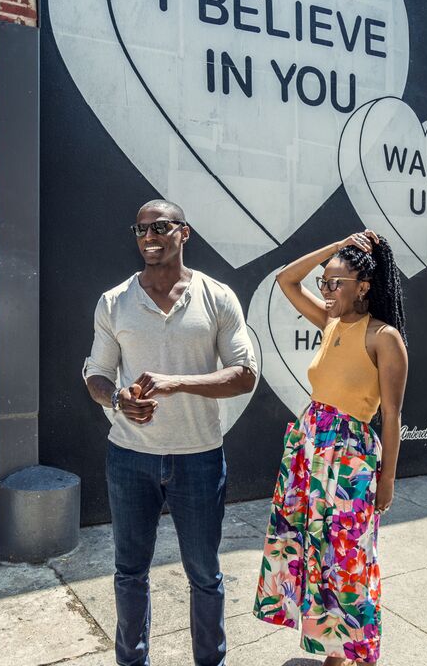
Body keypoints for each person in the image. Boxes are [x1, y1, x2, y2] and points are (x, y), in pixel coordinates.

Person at [83, 199, 257, 666]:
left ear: (185, 232)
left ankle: (210, 660)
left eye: (160, 226)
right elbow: (96, 373)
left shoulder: (216, 296)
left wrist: (177, 382)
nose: (149, 236)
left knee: (204, 573)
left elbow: (245, 374)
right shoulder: (114, 301)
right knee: (129, 572)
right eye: (140, 229)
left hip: (199, 457)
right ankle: (131, 660)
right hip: (129, 457)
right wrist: (118, 398)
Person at [253, 230, 409, 665]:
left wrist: (388, 479)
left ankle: (348, 652)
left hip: (350, 459)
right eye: (324, 282)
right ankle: (330, 651)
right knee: (312, 551)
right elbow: (286, 279)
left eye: (335, 283)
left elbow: (393, 416)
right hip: (309, 451)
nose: (326, 290)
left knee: (347, 557)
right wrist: (337, 247)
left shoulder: (384, 337)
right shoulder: (332, 321)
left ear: (363, 287)